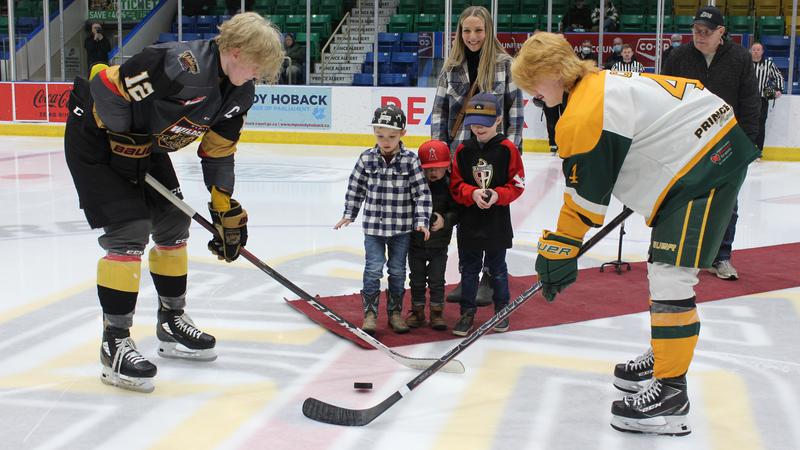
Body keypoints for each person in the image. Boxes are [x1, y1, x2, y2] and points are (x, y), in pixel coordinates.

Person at [512, 32, 758, 436]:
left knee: (671, 275)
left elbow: (584, 201)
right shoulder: (596, 85)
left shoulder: (586, 110)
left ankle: (671, 394)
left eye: (533, 82)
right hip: (704, 150)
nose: (533, 94)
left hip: (706, 168)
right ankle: (665, 354)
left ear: (554, 72)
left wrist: (560, 249)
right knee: (663, 269)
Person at [63, 13, 285, 393]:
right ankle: (114, 341)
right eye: (256, 66)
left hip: (142, 145)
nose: (258, 76)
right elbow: (104, 84)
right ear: (236, 51)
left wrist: (222, 204)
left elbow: (218, 151)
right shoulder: (179, 64)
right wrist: (122, 133)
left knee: (174, 223)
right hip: (96, 137)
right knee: (129, 230)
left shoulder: (239, 93)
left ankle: (171, 320)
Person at [431, 5, 524, 305]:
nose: (472, 36)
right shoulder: (451, 67)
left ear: (489, 31)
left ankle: (489, 277)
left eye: (479, 30)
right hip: (460, 155)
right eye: (467, 31)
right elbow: (439, 113)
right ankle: (467, 274)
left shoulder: (505, 65)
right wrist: (440, 156)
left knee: (491, 217)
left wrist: (510, 155)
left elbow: (515, 113)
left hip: (495, 157)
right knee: (466, 218)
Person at [662, 6, 760, 281]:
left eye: (706, 32)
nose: (700, 36)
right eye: (696, 30)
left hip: (727, 143)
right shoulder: (678, 57)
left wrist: (747, 144)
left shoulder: (740, 58)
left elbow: (750, 102)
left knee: (727, 203)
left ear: (721, 32)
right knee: (682, 198)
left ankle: (721, 256)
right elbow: (664, 99)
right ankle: (681, 252)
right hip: (687, 142)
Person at [334, 105, 432, 335]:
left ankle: (395, 312)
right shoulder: (366, 158)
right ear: (374, 133)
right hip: (374, 229)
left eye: (391, 136)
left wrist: (421, 220)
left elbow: (421, 193)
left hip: (401, 228)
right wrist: (349, 214)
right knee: (373, 269)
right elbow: (356, 188)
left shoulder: (410, 160)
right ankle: (370, 313)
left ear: (402, 134)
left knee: (397, 271)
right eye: (380, 136)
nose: (385, 141)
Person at [449, 93, 525, 336]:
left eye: (485, 123)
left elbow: (518, 184)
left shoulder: (508, 149)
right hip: (469, 223)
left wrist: (497, 195)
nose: (478, 128)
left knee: (497, 270)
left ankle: (502, 310)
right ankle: (467, 312)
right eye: (474, 123)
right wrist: (471, 193)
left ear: (499, 120)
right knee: (469, 270)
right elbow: (455, 185)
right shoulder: (463, 149)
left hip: (496, 223)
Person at [406, 140, 460, 331]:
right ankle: (417, 311)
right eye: (428, 169)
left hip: (439, 246)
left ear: (447, 166)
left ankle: (437, 312)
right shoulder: (414, 185)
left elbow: (457, 211)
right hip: (416, 244)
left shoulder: (450, 186)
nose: (433, 172)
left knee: (437, 280)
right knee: (417, 280)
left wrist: (445, 220)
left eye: (438, 168)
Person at [750, 41, 784, 158]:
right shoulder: (746, 63)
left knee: (761, 124)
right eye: (754, 49)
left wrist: (778, 89)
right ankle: (747, 150)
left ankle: (758, 150)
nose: (755, 52)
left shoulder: (768, 64)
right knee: (747, 124)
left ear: (762, 52)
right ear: (750, 51)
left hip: (762, 99)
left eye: (758, 50)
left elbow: (778, 76)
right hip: (747, 99)